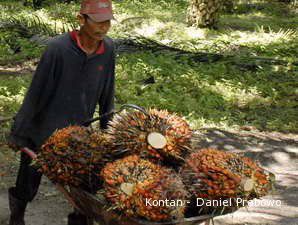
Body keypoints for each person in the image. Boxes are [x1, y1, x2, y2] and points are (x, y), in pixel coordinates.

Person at [7, 0, 115, 224]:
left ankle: (79, 220)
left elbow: (107, 90)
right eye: (98, 22)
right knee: (28, 181)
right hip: (43, 130)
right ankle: (17, 216)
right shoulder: (58, 49)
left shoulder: (108, 49)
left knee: (84, 186)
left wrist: (108, 129)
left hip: (79, 134)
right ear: (81, 20)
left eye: (107, 22)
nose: (103, 28)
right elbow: (36, 92)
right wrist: (19, 133)